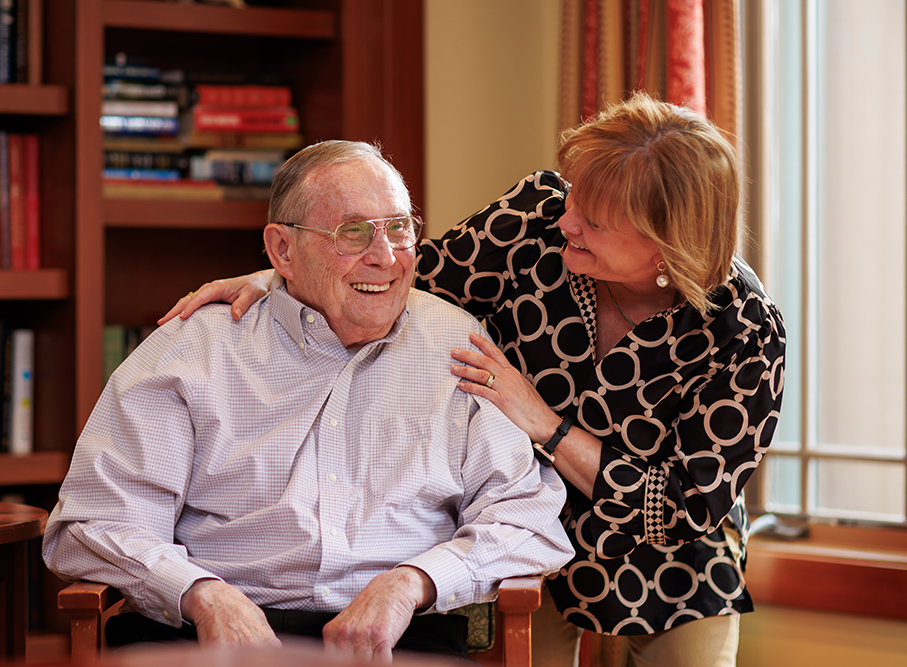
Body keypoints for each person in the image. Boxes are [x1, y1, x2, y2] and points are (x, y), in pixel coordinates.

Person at [162, 92, 786, 667]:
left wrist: (544, 422)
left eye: (593, 221)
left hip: (672, 562)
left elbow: (683, 506)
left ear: (663, 248)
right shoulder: (532, 224)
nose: (567, 220)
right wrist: (279, 275)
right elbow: (398, 275)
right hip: (521, 538)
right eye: (574, 197)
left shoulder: (744, 329)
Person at [43, 140, 575, 663]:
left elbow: (526, 519)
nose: (385, 256)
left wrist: (413, 583)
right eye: (354, 233)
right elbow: (95, 522)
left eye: (399, 228)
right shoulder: (194, 349)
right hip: (206, 635)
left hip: (395, 639)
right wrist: (201, 594)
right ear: (282, 251)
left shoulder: (458, 347)